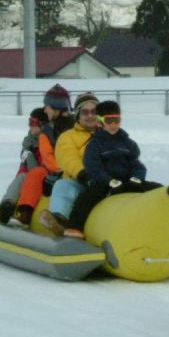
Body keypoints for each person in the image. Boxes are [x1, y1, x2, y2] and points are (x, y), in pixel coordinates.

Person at [61, 100, 161, 238]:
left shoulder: (127, 143)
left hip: (127, 181)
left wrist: (137, 176)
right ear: (100, 122)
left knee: (158, 189)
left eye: (116, 120)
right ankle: (75, 226)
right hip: (105, 182)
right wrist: (108, 180)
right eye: (109, 121)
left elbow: (136, 163)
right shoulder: (95, 145)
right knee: (88, 197)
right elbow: (93, 167)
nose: (113, 124)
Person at [39, 91, 100, 234]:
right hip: (80, 181)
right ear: (78, 115)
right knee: (63, 186)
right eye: (85, 112)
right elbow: (68, 158)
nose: (90, 116)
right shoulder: (68, 137)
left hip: (107, 181)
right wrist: (83, 174)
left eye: (94, 111)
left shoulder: (109, 134)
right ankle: (60, 219)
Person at [13, 84, 74, 225]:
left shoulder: (76, 127)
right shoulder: (46, 131)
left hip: (74, 169)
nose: (45, 109)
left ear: (56, 108)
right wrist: (59, 170)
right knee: (36, 173)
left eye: (47, 106)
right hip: (54, 170)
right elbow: (47, 156)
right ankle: (26, 212)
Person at [0, 107, 49, 224]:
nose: (30, 126)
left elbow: (41, 167)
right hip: (29, 176)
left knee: (25, 176)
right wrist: (28, 153)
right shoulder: (29, 142)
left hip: (43, 177)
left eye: (33, 123)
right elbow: (27, 167)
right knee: (22, 177)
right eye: (29, 122)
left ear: (43, 125)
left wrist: (29, 154)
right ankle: (7, 204)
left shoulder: (47, 142)